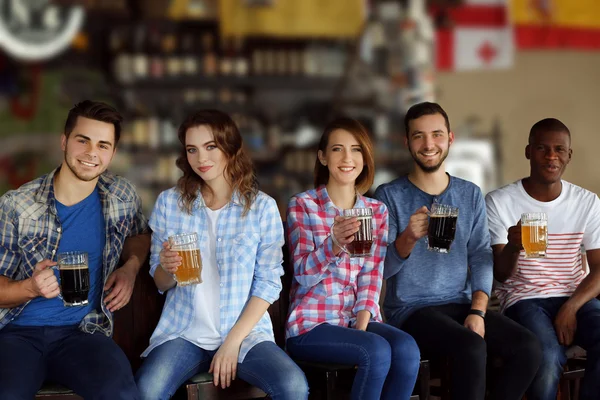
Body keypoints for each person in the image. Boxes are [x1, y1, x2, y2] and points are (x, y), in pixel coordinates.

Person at [135, 109, 308, 400]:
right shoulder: (170, 203)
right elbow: (160, 282)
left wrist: (231, 343)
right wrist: (167, 269)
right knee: (146, 390)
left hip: (245, 334)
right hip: (185, 332)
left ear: (230, 147)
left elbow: (268, 284)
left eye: (210, 147)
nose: (201, 159)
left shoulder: (262, 208)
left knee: (293, 387)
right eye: (192, 149)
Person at [374, 102, 541, 400]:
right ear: (407, 142)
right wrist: (408, 238)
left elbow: (480, 255)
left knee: (528, 347)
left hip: (461, 303)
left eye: (436, 134)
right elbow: (378, 270)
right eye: (419, 136)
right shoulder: (389, 195)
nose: (428, 144)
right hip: (411, 310)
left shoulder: (469, 193)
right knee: (472, 346)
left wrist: (478, 309)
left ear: (450, 138)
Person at [0, 100, 150, 399]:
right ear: (65, 141)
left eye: (103, 145)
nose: (92, 153)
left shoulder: (122, 195)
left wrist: (131, 267)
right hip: (17, 335)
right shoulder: (16, 204)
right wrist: (30, 287)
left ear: (112, 153)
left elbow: (140, 234)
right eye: (83, 140)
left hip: (83, 333)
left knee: (121, 393)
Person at [285, 117, 421, 400]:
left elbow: (372, 272)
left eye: (356, 149)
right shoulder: (303, 205)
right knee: (376, 349)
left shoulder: (376, 210)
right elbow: (302, 274)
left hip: (355, 320)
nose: (348, 158)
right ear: (322, 157)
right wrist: (332, 244)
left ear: (365, 157)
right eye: (337, 149)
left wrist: (363, 319)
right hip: (311, 325)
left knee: (407, 349)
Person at [485, 118, 600, 400]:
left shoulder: (587, 202)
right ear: (528, 151)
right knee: (546, 357)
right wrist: (513, 247)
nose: (551, 156)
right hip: (524, 299)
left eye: (559, 149)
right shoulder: (499, 201)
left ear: (569, 155)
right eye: (541, 148)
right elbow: (501, 275)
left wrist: (571, 307)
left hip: (576, 297)